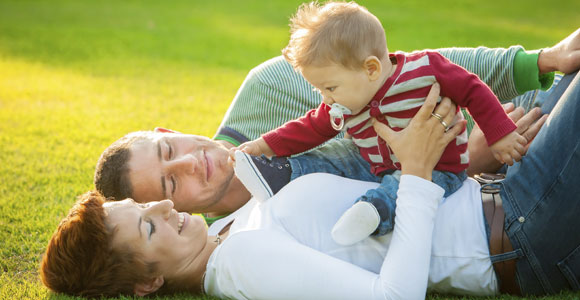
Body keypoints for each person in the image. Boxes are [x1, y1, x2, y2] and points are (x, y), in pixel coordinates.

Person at [41, 72, 580, 298]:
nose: (163, 203)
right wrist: (415, 171)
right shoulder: (243, 261)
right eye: (148, 223)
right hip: (516, 229)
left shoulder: (229, 229)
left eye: (148, 202)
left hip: (500, 189)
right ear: (148, 283)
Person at [93, 28, 580, 231]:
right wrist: (470, 159)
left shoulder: (268, 87)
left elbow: (407, 69)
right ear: (167, 207)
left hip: (505, 119)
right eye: (170, 182)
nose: (188, 162)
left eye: (167, 148)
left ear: (166, 128)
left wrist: (541, 60)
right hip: (484, 195)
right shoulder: (247, 231)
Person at [229, 1, 525, 245]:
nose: (326, 99)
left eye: (330, 88)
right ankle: (283, 173)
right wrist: (264, 145)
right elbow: (309, 128)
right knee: (335, 154)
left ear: (370, 69)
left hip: (438, 169)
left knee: (400, 185)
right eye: (320, 91)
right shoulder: (345, 103)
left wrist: (499, 134)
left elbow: (473, 89)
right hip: (371, 163)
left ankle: (373, 212)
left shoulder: (425, 70)